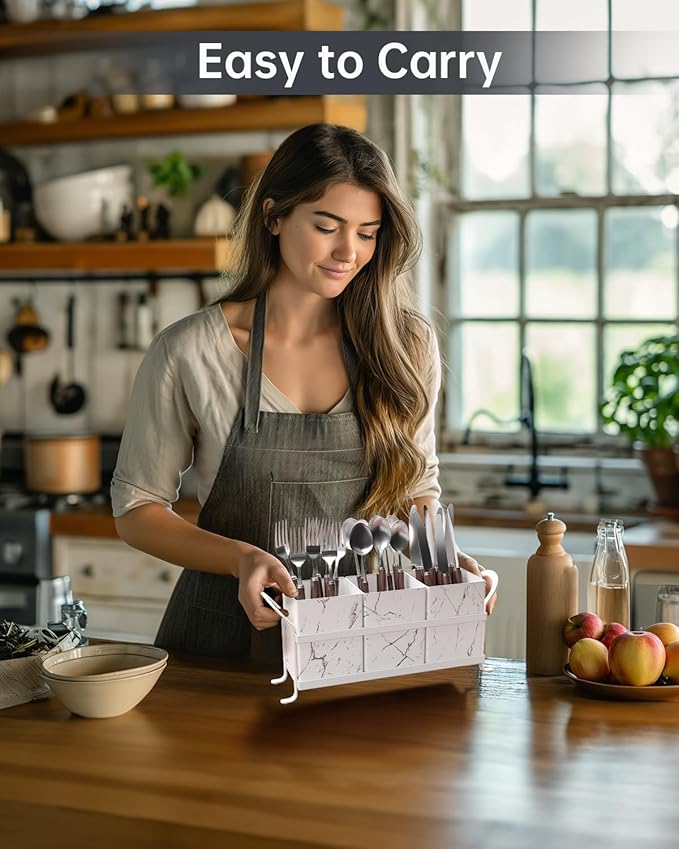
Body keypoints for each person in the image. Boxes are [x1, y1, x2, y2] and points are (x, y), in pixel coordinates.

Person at [112, 122, 496, 661]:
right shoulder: (192, 351)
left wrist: (443, 558)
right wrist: (241, 558)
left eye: (367, 232)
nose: (349, 251)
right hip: (222, 644)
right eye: (327, 226)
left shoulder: (405, 344)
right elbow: (136, 509)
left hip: (358, 640)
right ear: (273, 216)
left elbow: (415, 486)